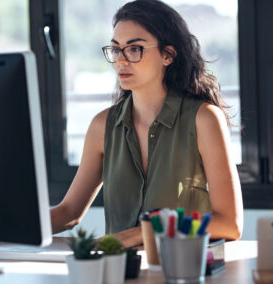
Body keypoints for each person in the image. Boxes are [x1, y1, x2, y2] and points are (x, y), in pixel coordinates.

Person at [51, 0, 243, 248]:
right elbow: (68, 212)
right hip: (121, 271)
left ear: (168, 55)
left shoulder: (204, 119)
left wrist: (144, 232)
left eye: (134, 49)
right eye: (116, 49)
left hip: (183, 270)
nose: (121, 60)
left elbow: (229, 223)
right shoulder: (102, 126)